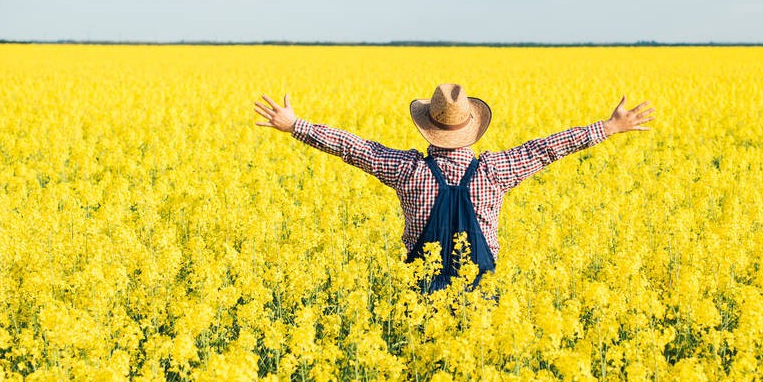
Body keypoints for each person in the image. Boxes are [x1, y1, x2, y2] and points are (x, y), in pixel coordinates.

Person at [254, 83, 654, 294]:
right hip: (481, 300)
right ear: (472, 130)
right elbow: (547, 148)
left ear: (428, 127)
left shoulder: (408, 171)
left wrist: (295, 126)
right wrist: (609, 127)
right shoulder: (495, 171)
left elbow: (354, 148)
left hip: (421, 298)